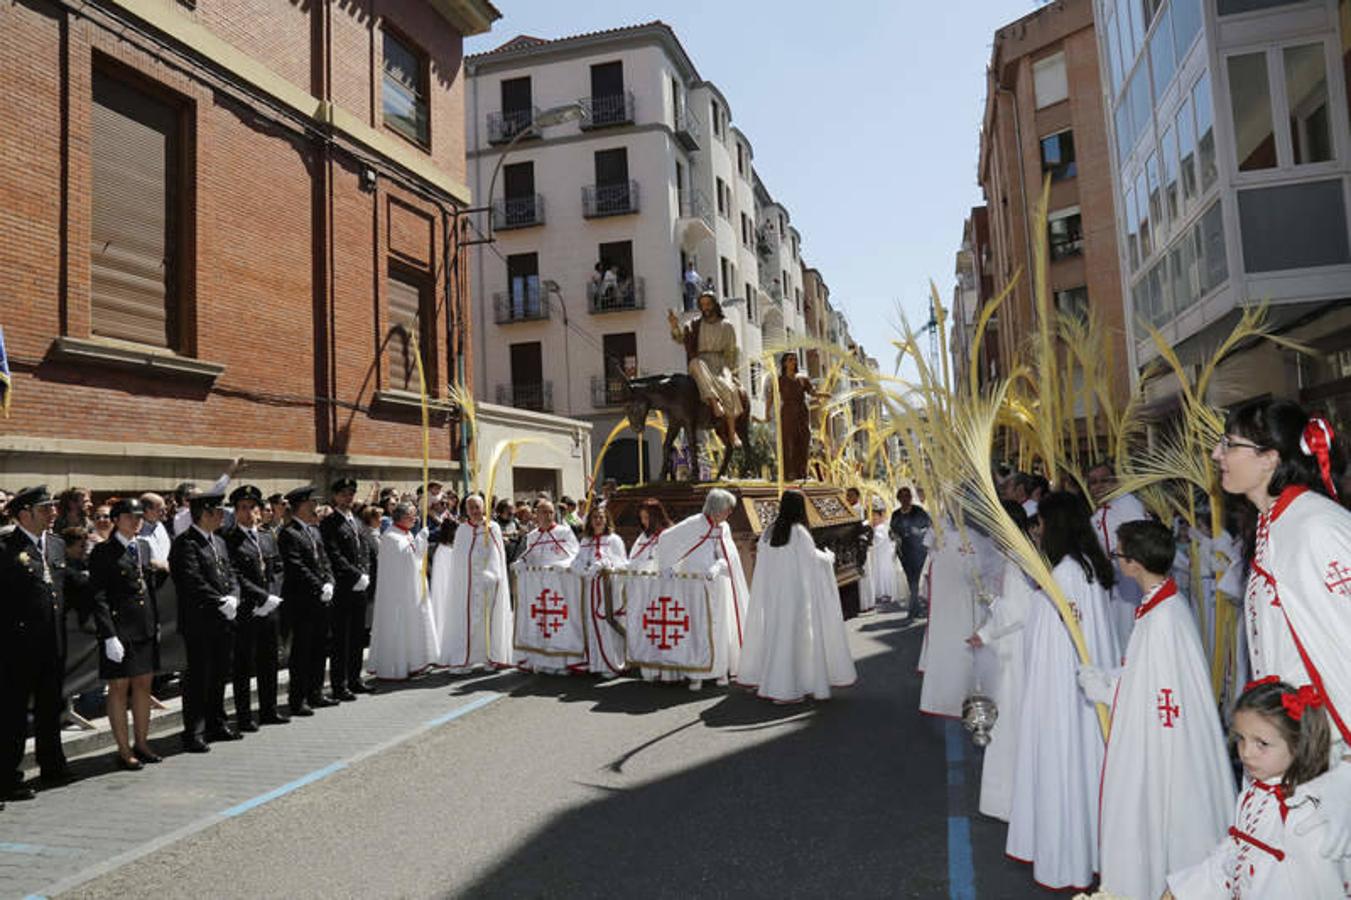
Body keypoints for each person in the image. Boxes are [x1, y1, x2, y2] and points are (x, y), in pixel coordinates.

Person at [1212, 399, 1351, 854]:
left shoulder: (1317, 527)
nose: (1217, 455)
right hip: (1290, 740)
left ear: (1270, 458)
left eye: (1230, 445)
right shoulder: (1274, 524)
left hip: (1325, 747)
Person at [1078, 520, 1234, 900]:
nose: (1115, 561)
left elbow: (1158, 696)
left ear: (1133, 563)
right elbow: (1146, 676)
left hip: (1166, 740)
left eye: (1118, 554)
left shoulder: (1164, 616)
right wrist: (1113, 681)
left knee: (1159, 815)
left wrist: (1108, 689)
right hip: (1164, 726)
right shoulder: (1160, 601)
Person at [1005, 491, 1120, 892]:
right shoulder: (1088, 566)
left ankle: (1066, 858)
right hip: (1083, 688)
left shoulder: (1066, 575)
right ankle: (1090, 851)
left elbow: (1051, 642)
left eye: (1041, 524)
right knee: (1087, 768)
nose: (1037, 531)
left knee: (1065, 767)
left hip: (1063, 692)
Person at [1165, 678, 1349, 898]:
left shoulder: (1305, 813)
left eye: (1261, 743)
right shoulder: (1253, 793)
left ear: (1298, 744)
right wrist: (1187, 890)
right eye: (1241, 739)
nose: (1246, 753)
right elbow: (1235, 854)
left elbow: (1320, 887)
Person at [739, 490, 856, 702]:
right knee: (795, 641)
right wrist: (828, 557)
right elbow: (813, 560)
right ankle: (788, 690)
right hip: (796, 598)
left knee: (778, 639)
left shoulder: (769, 532)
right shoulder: (799, 532)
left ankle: (780, 684)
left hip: (773, 598)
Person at [0, 486, 70, 800]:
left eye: (53, 506)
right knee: (13, 715)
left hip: (52, 642)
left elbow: (67, 587)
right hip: (16, 647)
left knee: (50, 707)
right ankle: (7, 777)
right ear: (24, 514)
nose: (53, 512)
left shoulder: (55, 545)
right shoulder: (5, 546)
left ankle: (52, 764)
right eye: (45, 508)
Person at [967, 501, 1035, 822]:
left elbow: (1020, 611)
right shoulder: (1014, 557)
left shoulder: (1018, 560)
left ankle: (1010, 799)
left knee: (1010, 721)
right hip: (1010, 647)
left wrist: (992, 605)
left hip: (1016, 654)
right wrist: (986, 632)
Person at [90, 497, 162, 769]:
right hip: (119, 631)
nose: (136, 521)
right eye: (130, 517)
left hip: (142, 627)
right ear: (117, 520)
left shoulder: (141, 548)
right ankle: (123, 749)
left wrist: (153, 622)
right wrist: (109, 635)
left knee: (144, 684)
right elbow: (99, 597)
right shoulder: (103, 552)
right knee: (119, 688)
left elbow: (148, 589)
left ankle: (141, 742)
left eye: (139, 517)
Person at [655, 488, 750, 690]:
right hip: (695, 586)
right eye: (727, 509)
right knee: (698, 628)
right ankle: (696, 673)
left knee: (720, 626)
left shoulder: (724, 528)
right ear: (716, 508)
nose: (729, 513)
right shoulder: (694, 524)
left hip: (718, 585)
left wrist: (720, 566)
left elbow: (728, 555)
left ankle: (720, 671)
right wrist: (668, 566)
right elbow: (666, 540)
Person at [169, 490, 241, 752]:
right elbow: (191, 580)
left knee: (220, 674)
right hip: (200, 621)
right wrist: (220, 601)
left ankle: (216, 722)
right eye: (218, 511)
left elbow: (230, 572)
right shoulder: (185, 543)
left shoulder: (218, 541)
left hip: (223, 619)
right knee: (198, 677)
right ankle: (194, 731)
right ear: (204, 514)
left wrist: (234, 596)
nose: (222, 516)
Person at [221, 485, 289, 730]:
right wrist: (260, 597)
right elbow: (235, 575)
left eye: (252, 507)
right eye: (242, 508)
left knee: (269, 661)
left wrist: (273, 596)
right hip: (247, 610)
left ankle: (269, 710)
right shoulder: (229, 539)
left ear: (260, 510)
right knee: (243, 666)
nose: (248, 513)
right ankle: (244, 715)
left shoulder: (266, 536)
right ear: (235, 511)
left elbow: (278, 567)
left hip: (269, 609)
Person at [434, 494, 513, 673]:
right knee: (467, 620)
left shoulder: (492, 527)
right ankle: (465, 658)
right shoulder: (462, 530)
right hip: (467, 585)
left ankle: (489, 657)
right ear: (466, 510)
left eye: (477, 507)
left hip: (487, 583)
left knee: (487, 620)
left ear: (483, 507)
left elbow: (496, 553)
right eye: (471, 508)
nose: (475, 511)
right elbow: (460, 558)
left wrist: (492, 573)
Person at [278, 485, 336, 716]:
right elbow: (296, 567)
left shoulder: (313, 531)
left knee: (319, 649)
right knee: (301, 652)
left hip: (320, 601)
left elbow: (324, 560)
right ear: (300, 506)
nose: (315, 507)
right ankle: (298, 698)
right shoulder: (289, 533)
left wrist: (329, 581)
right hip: (301, 602)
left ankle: (316, 692)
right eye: (311, 503)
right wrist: (319, 585)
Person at [367, 502, 438, 680]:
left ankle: (413, 662)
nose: (415, 518)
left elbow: (415, 559)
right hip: (396, 595)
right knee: (399, 628)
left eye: (415, 514)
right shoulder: (391, 536)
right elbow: (403, 558)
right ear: (401, 517)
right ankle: (396, 666)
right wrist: (420, 540)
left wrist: (420, 543)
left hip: (409, 590)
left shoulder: (405, 534)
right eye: (412, 515)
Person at [667, 291, 743, 448]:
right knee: (695, 363)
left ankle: (732, 432)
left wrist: (732, 372)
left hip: (719, 363)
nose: (705, 307)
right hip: (701, 361)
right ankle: (714, 403)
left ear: (714, 304)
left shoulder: (726, 326)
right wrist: (674, 326)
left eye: (708, 304)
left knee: (729, 389)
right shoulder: (694, 325)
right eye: (702, 305)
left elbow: (731, 352)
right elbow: (681, 338)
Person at [1086, 459, 1149, 647]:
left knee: (1130, 633)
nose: (1097, 487)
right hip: (1114, 585)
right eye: (1092, 482)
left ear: (1115, 482)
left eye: (1103, 480)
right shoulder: (1098, 513)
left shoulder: (1128, 504)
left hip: (1132, 583)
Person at [320, 478, 372, 701]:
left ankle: (355, 679)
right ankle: (339, 685)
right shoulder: (330, 523)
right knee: (342, 638)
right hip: (343, 588)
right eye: (343, 494)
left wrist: (366, 574)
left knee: (358, 637)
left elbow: (365, 550)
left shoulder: (357, 521)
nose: (348, 497)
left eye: (351, 493)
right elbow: (333, 554)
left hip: (361, 587)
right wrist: (355, 575)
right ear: (335, 496)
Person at [573, 504, 628, 677]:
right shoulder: (585, 541)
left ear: (607, 520)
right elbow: (577, 561)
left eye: (601, 517)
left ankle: (611, 664)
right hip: (590, 590)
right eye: (595, 517)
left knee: (607, 624)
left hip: (607, 589)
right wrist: (583, 569)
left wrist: (606, 565)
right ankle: (595, 663)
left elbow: (623, 564)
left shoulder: (614, 540)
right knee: (591, 624)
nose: (598, 520)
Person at [777, 353, 822, 481]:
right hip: (787, 412)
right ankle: (788, 473)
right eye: (790, 360)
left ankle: (802, 472)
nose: (793, 362)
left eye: (795, 360)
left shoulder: (803, 379)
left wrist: (822, 396)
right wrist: (767, 413)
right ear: (785, 363)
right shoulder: (779, 380)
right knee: (788, 442)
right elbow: (772, 396)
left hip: (802, 412)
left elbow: (813, 393)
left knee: (803, 441)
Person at [889, 486, 931, 617]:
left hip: (918, 549)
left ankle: (913, 607)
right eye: (902, 497)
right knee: (910, 577)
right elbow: (891, 531)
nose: (905, 499)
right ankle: (915, 606)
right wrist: (894, 536)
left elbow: (929, 526)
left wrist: (919, 532)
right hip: (904, 550)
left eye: (907, 496)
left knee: (915, 577)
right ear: (898, 499)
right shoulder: (896, 514)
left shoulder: (918, 511)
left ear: (911, 498)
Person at [864, 501, 906, 607]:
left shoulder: (881, 528)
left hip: (883, 555)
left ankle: (885, 593)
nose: (873, 518)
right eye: (872, 516)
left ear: (881, 516)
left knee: (883, 572)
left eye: (875, 516)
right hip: (879, 555)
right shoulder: (879, 527)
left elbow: (877, 541)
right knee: (879, 572)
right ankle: (882, 593)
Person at [137, 492, 172, 569]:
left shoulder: (160, 525)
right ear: (147, 510)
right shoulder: (136, 530)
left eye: (165, 509)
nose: (165, 513)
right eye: (161, 510)